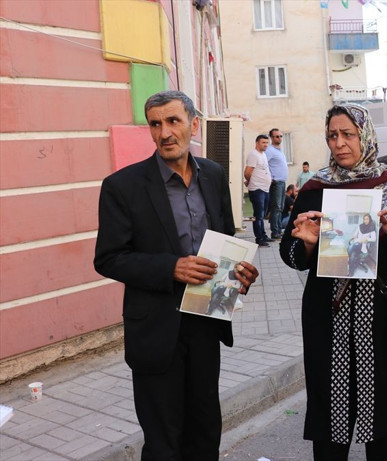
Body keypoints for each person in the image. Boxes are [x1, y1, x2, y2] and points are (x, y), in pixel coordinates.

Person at [94, 90, 259, 460]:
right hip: (156, 331)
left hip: (206, 321)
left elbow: (225, 238)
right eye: (156, 124)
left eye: (173, 121)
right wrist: (171, 268)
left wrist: (239, 274)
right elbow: (109, 259)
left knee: (205, 432)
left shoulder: (213, 175)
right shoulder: (122, 187)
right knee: (164, 443)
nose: (165, 132)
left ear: (193, 125)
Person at [279, 103, 387, 460]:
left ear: (364, 136)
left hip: (381, 323)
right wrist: (306, 243)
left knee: (381, 413)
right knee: (329, 418)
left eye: (348, 134)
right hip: (327, 322)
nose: (339, 143)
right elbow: (290, 256)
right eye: (332, 135)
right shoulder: (314, 189)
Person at [245, 134, 272, 247]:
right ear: (257, 143)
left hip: (265, 189)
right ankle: (259, 239)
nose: (265, 145)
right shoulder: (254, 155)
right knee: (258, 215)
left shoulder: (263, 154)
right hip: (257, 189)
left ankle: (263, 235)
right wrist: (250, 181)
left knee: (262, 215)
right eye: (263, 142)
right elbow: (247, 172)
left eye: (266, 142)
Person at [266, 128, 289, 239]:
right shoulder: (269, 150)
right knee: (277, 208)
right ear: (271, 137)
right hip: (276, 182)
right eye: (277, 136)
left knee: (281, 207)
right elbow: (263, 164)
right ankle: (275, 232)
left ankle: (279, 230)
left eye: (281, 136)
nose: (279, 138)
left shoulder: (279, 150)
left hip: (282, 182)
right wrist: (270, 178)